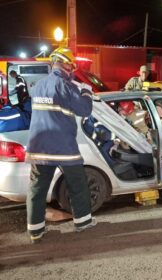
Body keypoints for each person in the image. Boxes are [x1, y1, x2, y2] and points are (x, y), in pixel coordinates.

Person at [25, 47, 96, 244]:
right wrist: (86, 93)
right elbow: (84, 110)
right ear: (65, 64)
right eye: (71, 65)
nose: (72, 69)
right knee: (78, 185)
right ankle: (82, 222)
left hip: (39, 147)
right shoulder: (65, 85)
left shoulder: (38, 86)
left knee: (37, 189)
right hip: (63, 148)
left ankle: (35, 230)